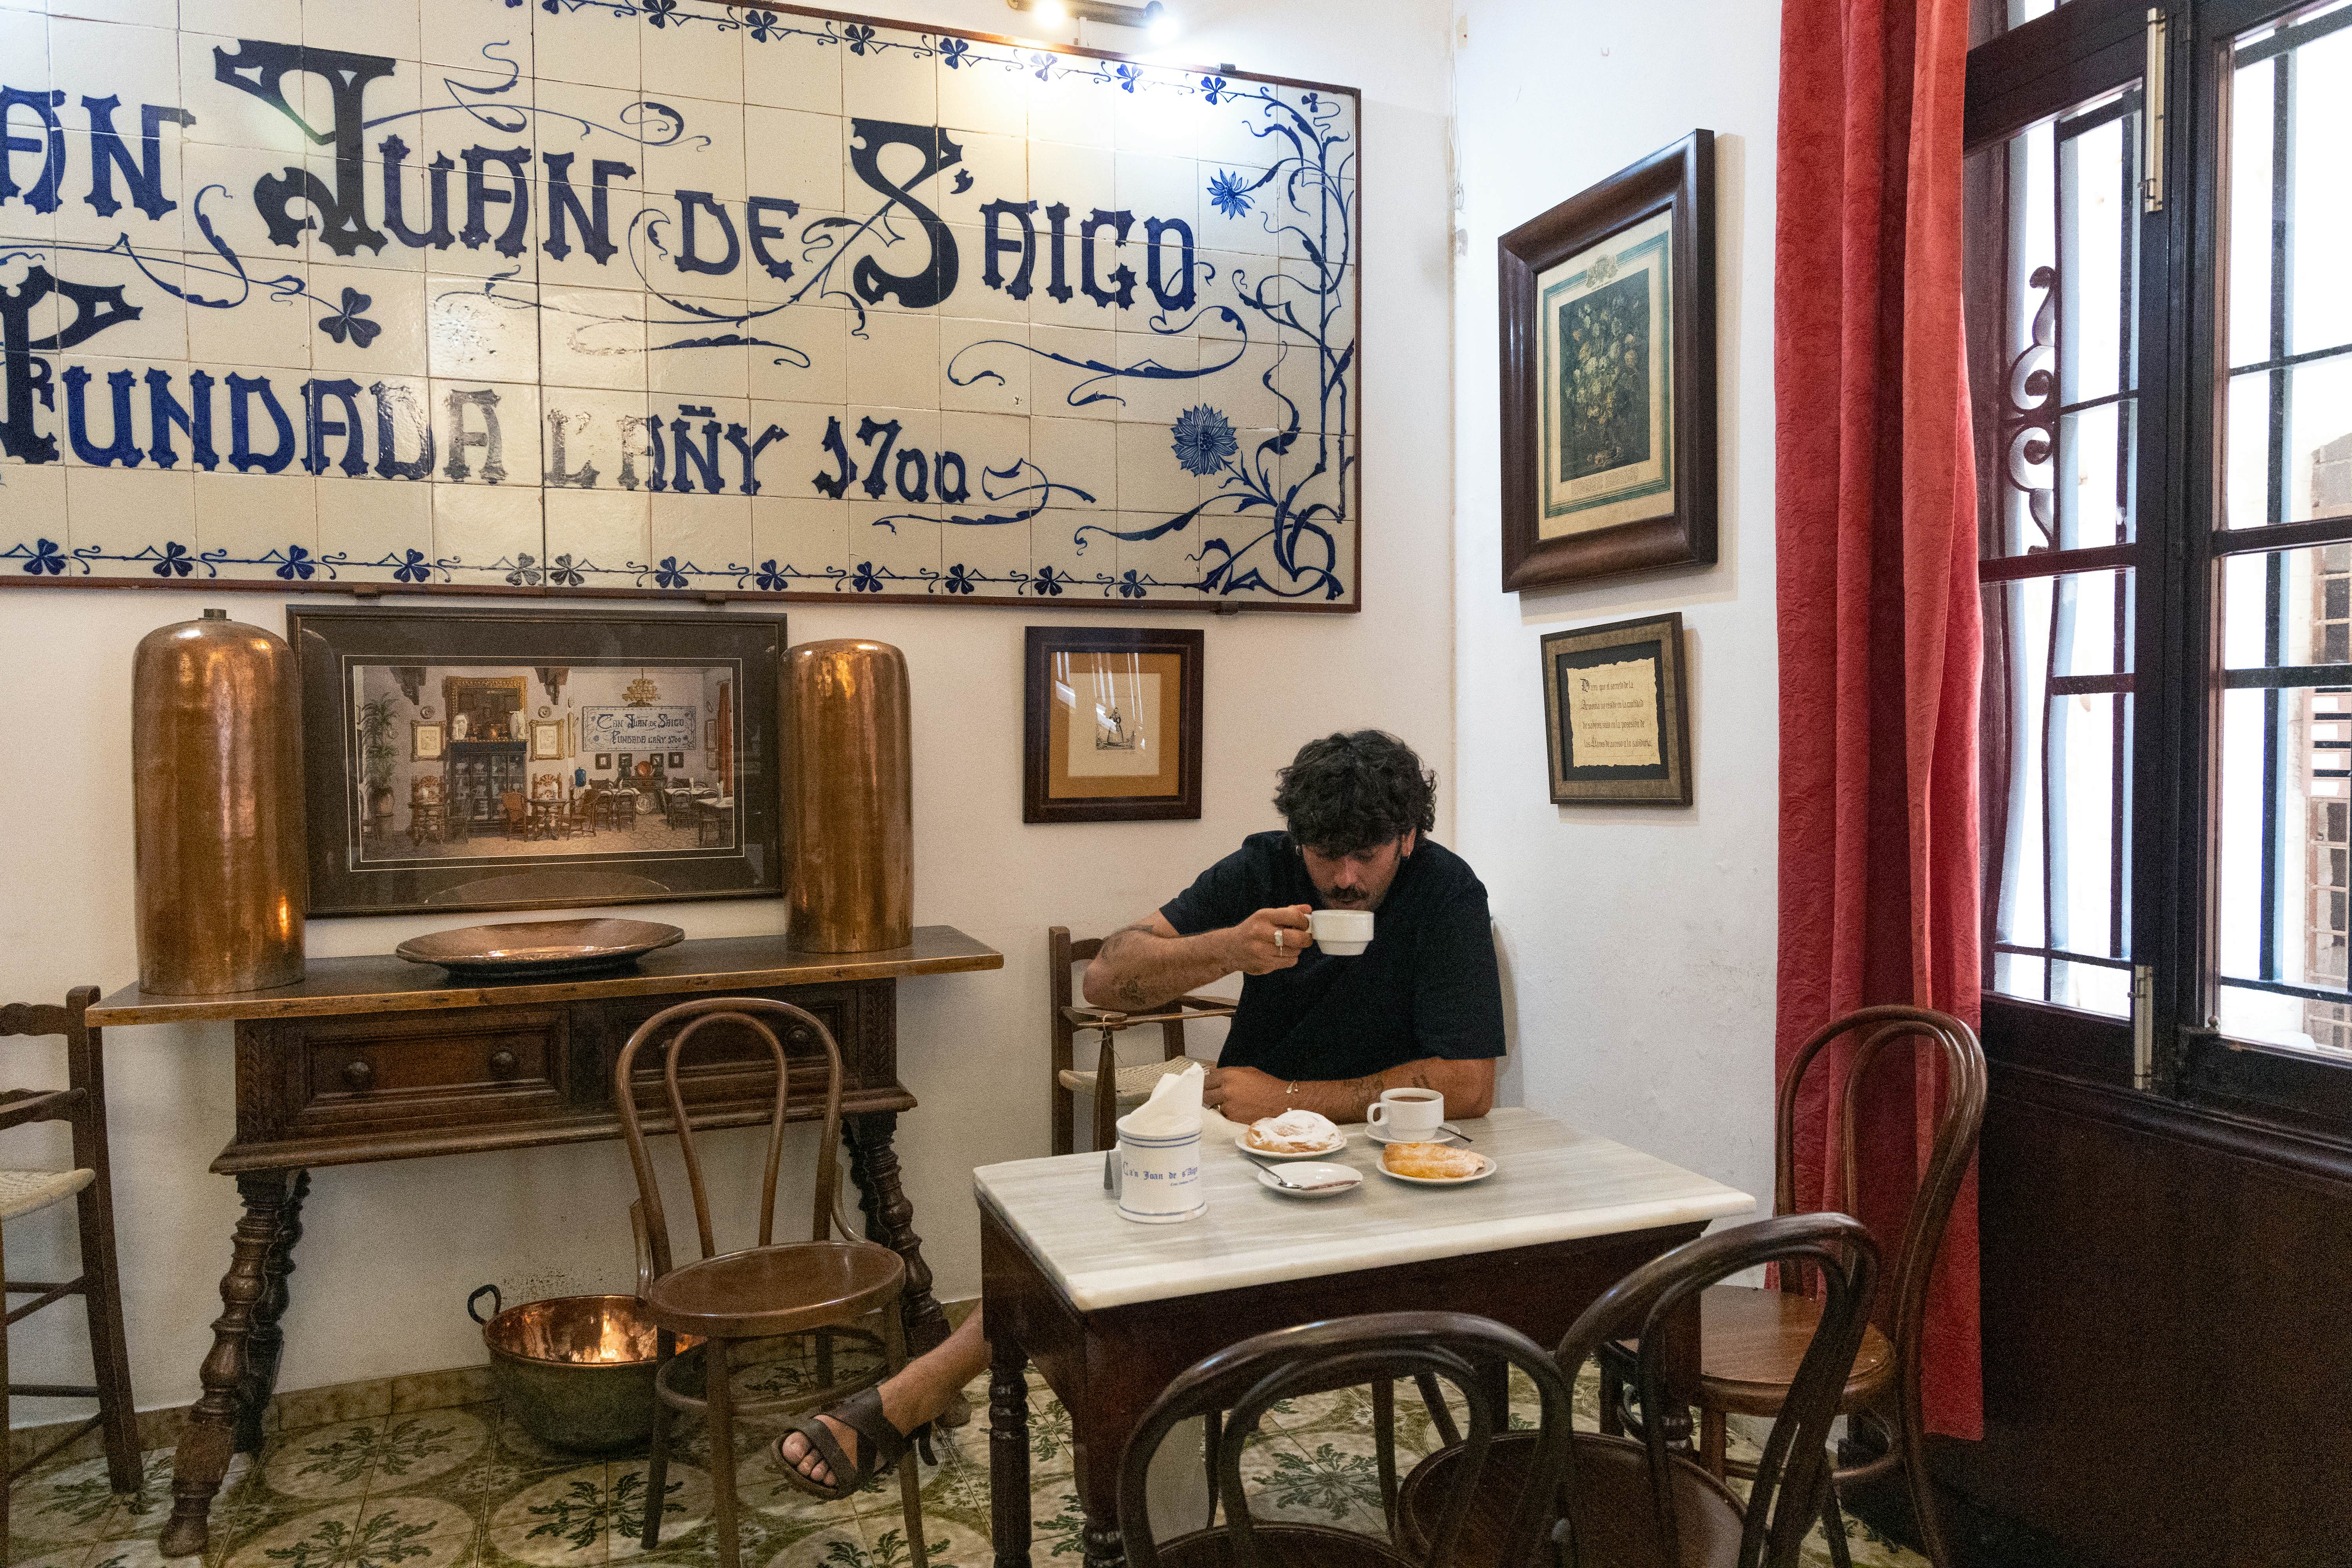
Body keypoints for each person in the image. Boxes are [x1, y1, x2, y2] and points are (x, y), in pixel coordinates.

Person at [773, 730, 1505, 1497]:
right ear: (1300, 840)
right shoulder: (1266, 868)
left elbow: (1468, 1083)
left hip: (1386, 1147)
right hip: (1248, 1133)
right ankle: (987, 1419)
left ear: (1410, 836)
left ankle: (920, 1391)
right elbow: (1107, 977)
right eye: (1328, 854)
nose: (1347, 879)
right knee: (1095, 1235)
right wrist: (1228, 946)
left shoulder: (1447, 891)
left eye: (1370, 855)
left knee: (1154, 1283)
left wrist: (1287, 1095)